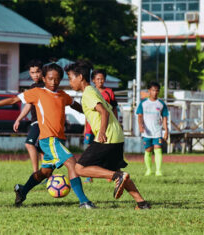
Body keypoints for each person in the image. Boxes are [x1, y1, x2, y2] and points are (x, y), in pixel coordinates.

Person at [0, 63, 95, 209]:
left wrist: (89, 112)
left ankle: (22, 191)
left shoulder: (62, 95)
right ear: (44, 78)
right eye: (50, 78)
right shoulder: (37, 92)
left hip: (58, 140)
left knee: (45, 172)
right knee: (71, 163)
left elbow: (74, 104)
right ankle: (84, 202)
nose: (53, 82)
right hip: (48, 139)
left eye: (57, 79)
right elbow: (13, 100)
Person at [65, 60, 151, 210]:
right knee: (119, 173)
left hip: (107, 137)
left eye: (70, 78)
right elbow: (98, 109)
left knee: (79, 168)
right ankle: (142, 203)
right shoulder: (94, 91)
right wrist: (72, 104)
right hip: (117, 136)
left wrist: (102, 132)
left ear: (80, 77)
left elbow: (103, 112)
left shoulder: (88, 93)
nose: (70, 82)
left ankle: (117, 177)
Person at [83, 69, 119, 183]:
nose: (100, 81)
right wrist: (85, 127)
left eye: (102, 79)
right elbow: (88, 112)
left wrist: (116, 123)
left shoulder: (109, 92)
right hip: (91, 127)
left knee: (107, 150)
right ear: (93, 80)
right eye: (98, 79)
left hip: (104, 126)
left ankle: (111, 173)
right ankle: (89, 176)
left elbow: (113, 109)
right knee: (89, 150)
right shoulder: (90, 92)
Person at [136, 82, 169, 177]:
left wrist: (166, 130)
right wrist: (140, 126)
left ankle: (158, 171)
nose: (155, 92)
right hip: (147, 131)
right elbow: (139, 116)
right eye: (153, 90)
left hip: (157, 131)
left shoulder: (161, 104)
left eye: (157, 90)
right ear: (149, 91)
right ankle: (149, 170)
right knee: (148, 150)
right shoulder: (143, 103)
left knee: (158, 149)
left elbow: (164, 118)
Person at [20, 59, 44, 172]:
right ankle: (45, 175)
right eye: (32, 72)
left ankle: (36, 173)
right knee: (42, 149)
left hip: (42, 122)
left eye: (37, 71)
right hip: (36, 121)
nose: (35, 75)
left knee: (29, 144)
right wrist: (18, 119)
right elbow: (28, 105)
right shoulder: (33, 86)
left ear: (42, 71)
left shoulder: (47, 86)